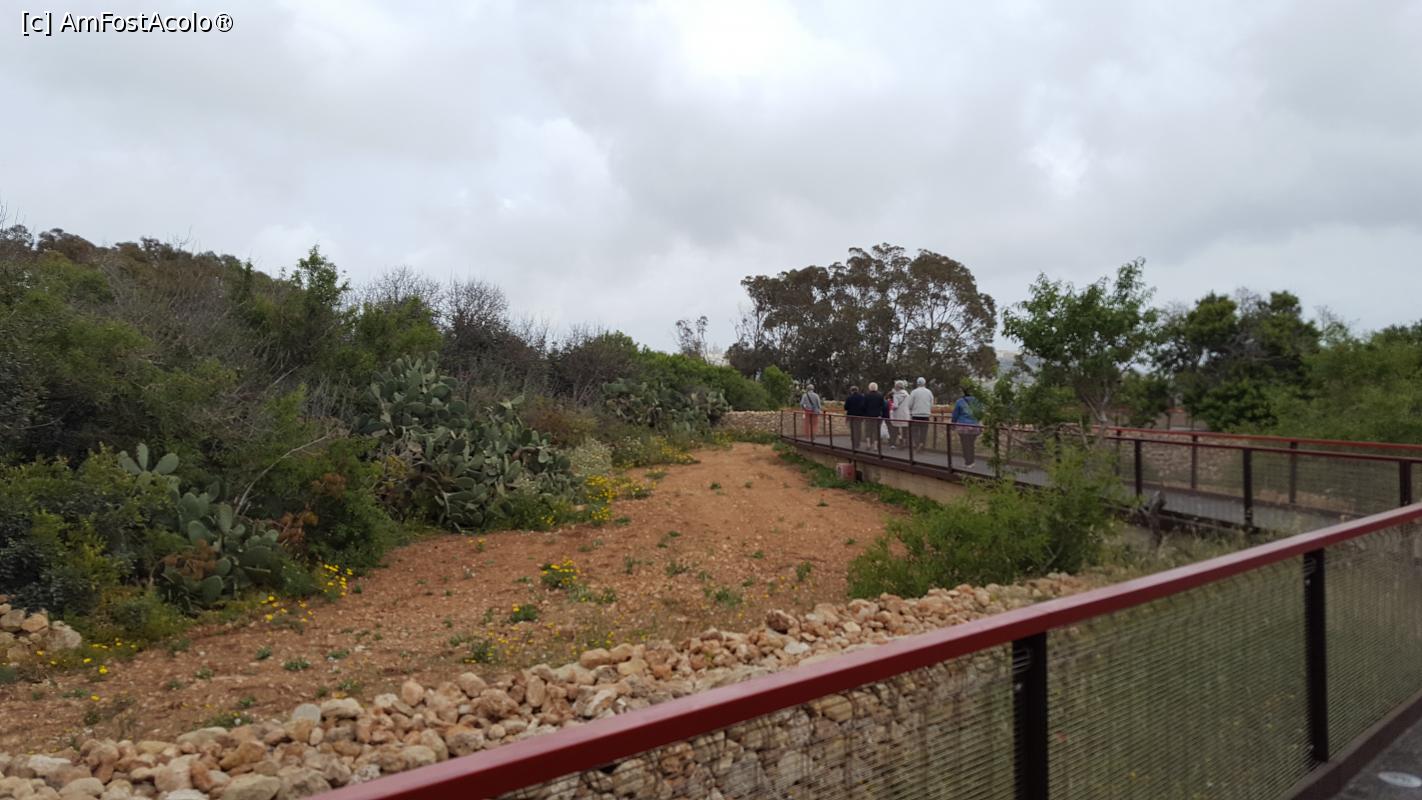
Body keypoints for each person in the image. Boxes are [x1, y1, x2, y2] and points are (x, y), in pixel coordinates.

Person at [952, 386, 982, 467]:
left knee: (965, 445)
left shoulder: (959, 402)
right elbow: (980, 413)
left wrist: (953, 424)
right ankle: (971, 461)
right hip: (975, 426)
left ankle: (968, 462)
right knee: (971, 444)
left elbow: (955, 415)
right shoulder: (977, 401)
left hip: (963, 426)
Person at [908, 377, 935, 451]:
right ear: (925, 383)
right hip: (926, 415)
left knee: (915, 431)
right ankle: (922, 444)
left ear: (917, 383)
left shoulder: (914, 392)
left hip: (916, 415)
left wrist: (911, 409)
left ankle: (917, 444)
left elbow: (910, 404)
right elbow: (932, 403)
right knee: (924, 431)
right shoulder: (929, 392)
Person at [862, 382, 887, 449]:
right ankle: (875, 446)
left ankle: (868, 444)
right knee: (876, 431)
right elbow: (884, 406)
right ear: (876, 387)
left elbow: (863, 406)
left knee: (868, 430)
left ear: (869, 387)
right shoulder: (880, 395)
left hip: (868, 416)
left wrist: (864, 413)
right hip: (877, 416)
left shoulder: (866, 395)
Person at [888, 380, 910, 449]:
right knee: (904, 429)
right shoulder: (907, 395)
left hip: (898, 415)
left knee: (896, 429)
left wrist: (892, 409)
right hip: (906, 414)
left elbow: (895, 406)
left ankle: (895, 443)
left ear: (897, 387)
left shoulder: (896, 395)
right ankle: (905, 443)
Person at [843, 385, 866, 450]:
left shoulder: (849, 398)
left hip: (851, 416)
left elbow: (846, 407)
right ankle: (858, 443)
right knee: (858, 430)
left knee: (853, 430)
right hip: (859, 416)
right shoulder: (862, 397)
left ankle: (854, 443)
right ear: (857, 390)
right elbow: (864, 407)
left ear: (851, 391)